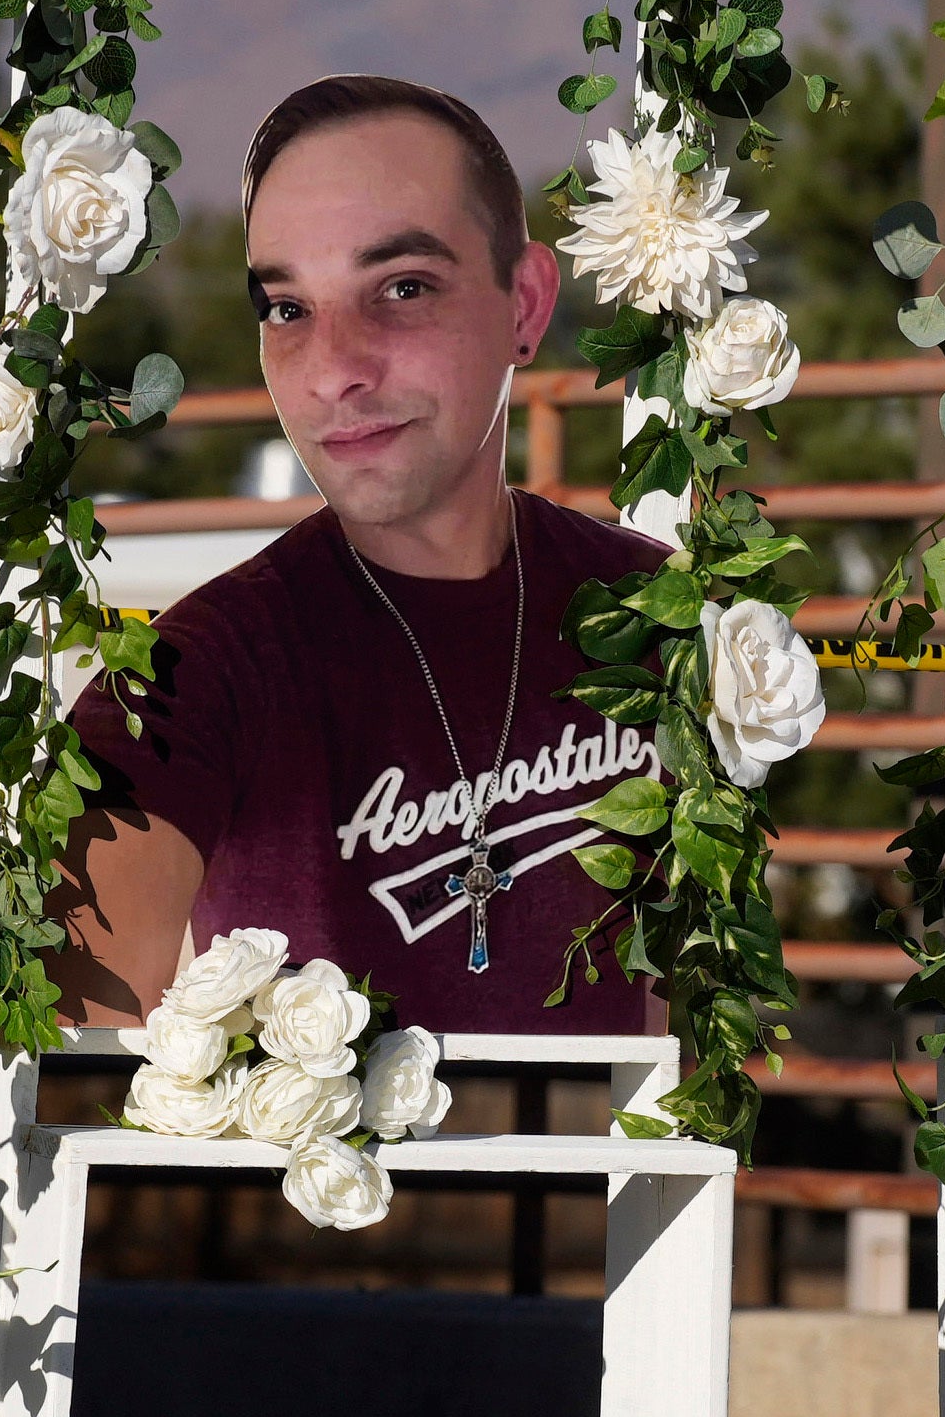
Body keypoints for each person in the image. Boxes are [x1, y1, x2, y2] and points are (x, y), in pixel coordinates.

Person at [57, 75, 668, 1031]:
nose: (336, 370)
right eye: (288, 309)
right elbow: (65, 1074)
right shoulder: (188, 678)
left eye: (404, 289)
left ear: (527, 305)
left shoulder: (655, 614)